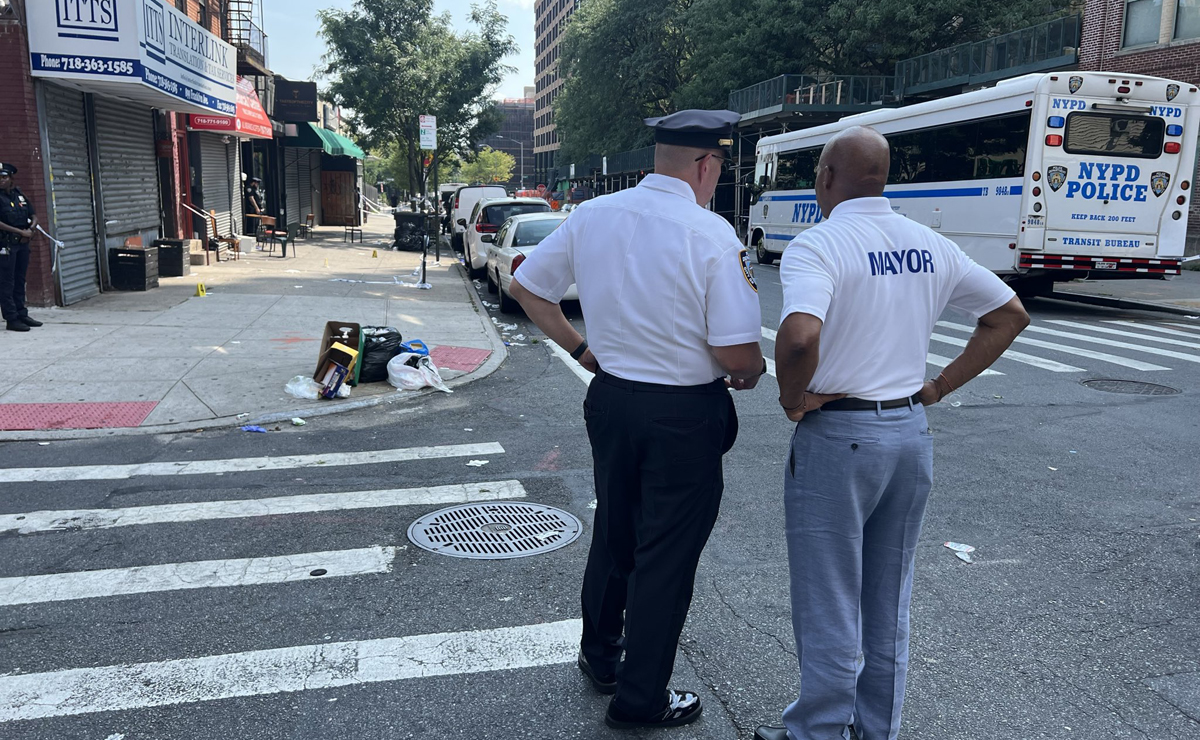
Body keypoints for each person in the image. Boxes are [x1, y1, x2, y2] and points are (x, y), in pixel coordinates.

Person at [753, 126, 1029, 740]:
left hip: (839, 436)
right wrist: (937, 386)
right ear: (884, 178)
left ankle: (818, 731)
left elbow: (799, 336)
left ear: (825, 177)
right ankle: (876, 729)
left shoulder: (818, 245)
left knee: (828, 597)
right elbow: (1009, 315)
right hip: (909, 432)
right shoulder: (928, 244)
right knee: (888, 598)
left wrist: (792, 400)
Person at [510, 109, 765, 730]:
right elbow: (736, 354)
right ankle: (640, 698)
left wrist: (580, 348)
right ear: (707, 165)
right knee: (666, 557)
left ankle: (601, 658)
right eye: (718, 167)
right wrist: (749, 371)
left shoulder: (593, 215)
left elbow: (527, 288)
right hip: (682, 413)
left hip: (613, 398)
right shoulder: (711, 235)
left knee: (615, 533)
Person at [0, 163, 42, 332]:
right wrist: (20, 231)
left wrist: (32, 227)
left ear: (11, 178)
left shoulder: (19, 195)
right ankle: (11, 318)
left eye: (4, 177)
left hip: (22, 245)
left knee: (20, 280)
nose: (1, 181)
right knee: (6, 282)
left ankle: (21, 313)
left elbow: (33, 214)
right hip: (6, 245)